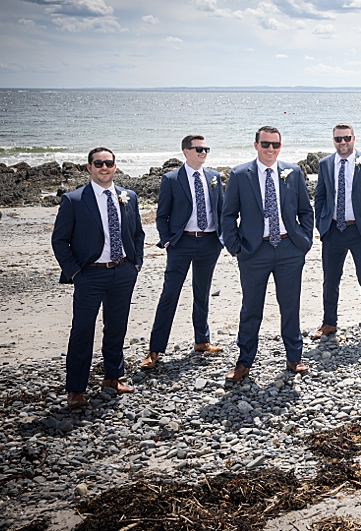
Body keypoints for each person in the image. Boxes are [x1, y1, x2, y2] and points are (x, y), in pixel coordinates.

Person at [51, 147, 144, 409]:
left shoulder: (129, 196)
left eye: (109, 163)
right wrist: (75, 273)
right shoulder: (74, 199)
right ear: (89, 167)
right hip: (89, 274)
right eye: (99, 163)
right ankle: (76, 390)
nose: (104, 167)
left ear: (115, 166)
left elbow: (137, 232)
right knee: (82, 331)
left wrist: (136, 263)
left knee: (116, 328)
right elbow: (60, 240)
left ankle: (113, 378)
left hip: (123, 271)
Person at [220, 126, 314, 381]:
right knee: (251, 308)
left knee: (290, 305)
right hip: (253, 251)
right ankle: (244, 362)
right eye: (265, 144)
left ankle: (294, 357)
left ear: (280, 147)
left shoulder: (293, 172)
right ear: (256, 145)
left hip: (289, 249)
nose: (270, 149)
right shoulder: (240, 174)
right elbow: (228, 215)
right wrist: (235, 247)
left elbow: (306, 210)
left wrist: (303, 242)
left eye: (275, 145)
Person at [143, 134, 225, 369]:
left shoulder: (214, 177)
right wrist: (167, 241)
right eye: (198, 149)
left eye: (206, 149)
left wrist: (221, 238)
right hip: (182, 244)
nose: (203, 153)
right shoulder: (171, 179)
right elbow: (162, 215)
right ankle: (155, 349)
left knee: (203, 292)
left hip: (209, 243)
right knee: (170, 295)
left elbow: (221, 211)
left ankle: (202, 341)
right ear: (186, 151)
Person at [312, 123, 361, 341]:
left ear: (354, 138)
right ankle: (329, 323)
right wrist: (320, 223)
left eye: (346, 138)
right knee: (330, 279)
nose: (343, 142)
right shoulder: (325, 164)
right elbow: (320, 195)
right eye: (338, 139)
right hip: (333, 230)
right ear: (333, 140)